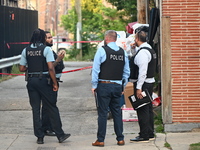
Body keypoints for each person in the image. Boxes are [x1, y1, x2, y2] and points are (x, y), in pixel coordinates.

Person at [19, 28, 70, 144]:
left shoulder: (26, 50)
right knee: (51, 107)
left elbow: (21, 68)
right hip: (44, 81)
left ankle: (40, 137)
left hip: (31, 81)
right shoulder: (46, 49)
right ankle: (60, 135)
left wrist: (32, 67)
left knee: (35, 109)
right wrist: (55, 83)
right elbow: (51, 68)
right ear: (43, 38)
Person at [91, 30, 130, 147]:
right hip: (117, 86)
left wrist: (94, 86)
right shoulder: (123, 52)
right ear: (115, 39)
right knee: (117, 112)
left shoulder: (102, 50)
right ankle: (120, 139)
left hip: (104, 85)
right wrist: (122, 85)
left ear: (106, 39)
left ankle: (100, 140)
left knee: (103, 113)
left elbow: (96, 69)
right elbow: (126, 72)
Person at [129, 30, 156, 142]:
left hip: (143, 84)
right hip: (148, 83)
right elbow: (136, 57)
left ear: (137, 39)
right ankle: (150, 132)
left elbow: (142, 72)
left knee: (142, 109)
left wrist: (138, 88)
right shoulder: (148, 49)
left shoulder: (143, 53)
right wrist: (134, 49)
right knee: (148, 108)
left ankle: (144, 134)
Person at [41, 31, 65, 136]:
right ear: (43, 39)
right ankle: (47, 128)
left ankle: (47, 127)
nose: (51, 39)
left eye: (51, 37)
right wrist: (59, 59)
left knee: (48, 105)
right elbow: (49, 67)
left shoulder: (50, 50)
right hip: (49, 81)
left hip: (53, 80)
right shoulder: (45, 51)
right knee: (49, 106)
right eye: (48, 38)